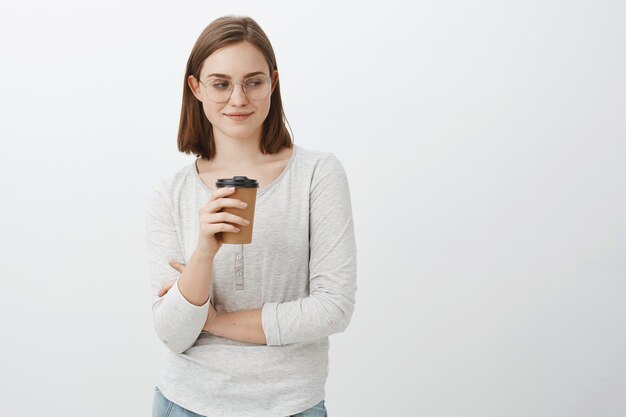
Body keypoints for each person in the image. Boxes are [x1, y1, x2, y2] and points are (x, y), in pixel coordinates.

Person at [146, 15, 357, 417]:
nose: (238, 99)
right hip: (186, 403)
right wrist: (204, 253)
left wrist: (213, 321)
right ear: (196, 88)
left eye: (253, 82)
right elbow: (172, 333)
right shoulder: (171, 192)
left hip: (291, 405)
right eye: (221, 83)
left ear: (272, 84)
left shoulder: (317, 174)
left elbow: (333, 308)